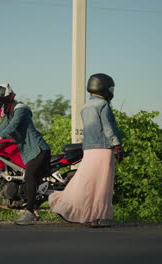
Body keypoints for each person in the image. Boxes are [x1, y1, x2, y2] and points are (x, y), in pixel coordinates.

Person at [48, 73, 124, 228]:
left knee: (87, 183)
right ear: (103, 87)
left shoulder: (86, 107)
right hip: (103, 149)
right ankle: (99, 217)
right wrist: (117, 145)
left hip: (89, 150)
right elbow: (109, 128)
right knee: (102, 184)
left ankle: (68, 205)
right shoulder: (103, 105)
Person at [0, 83, 51, 225]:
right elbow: (1, 129)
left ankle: (29, 213)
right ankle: (34, 208)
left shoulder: (20, 110)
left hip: (39, 150)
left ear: (5, 100)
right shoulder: (10, 113)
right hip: (30, 154)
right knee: (26, 177)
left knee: (29, 176)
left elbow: (11, 128)